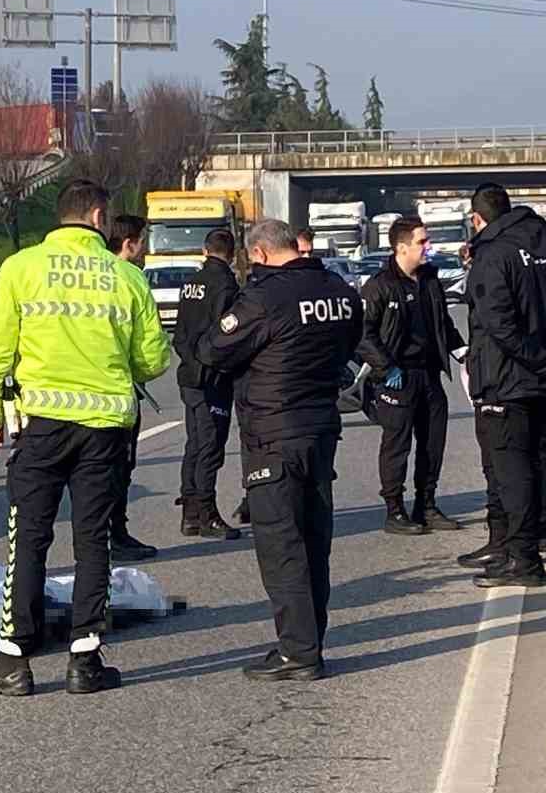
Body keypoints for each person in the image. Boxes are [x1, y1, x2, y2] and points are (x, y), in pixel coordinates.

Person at [0, 180, 171, 697]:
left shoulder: (21, 269)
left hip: (42, 427)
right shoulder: (126, 277)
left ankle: (13, 659)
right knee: (93, 539)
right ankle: (85, 657)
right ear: (98, 216)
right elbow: (154, 359)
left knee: (28, 538)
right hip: (104, 431)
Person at [198, 218, 363, 681]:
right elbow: (351, 341)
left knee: (281, 544)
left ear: (262, 254)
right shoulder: (338, 289)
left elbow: (213, 348)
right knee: (314, 541)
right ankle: (312, 640)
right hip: (321, 427)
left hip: (273, 432)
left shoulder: (264, 297)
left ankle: (297, 652)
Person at [457, 183, 546, 588]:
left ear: (477, 218)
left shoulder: (495, 254)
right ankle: (527, 544)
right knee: (540, 461)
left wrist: (538, 361)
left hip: (507, 379)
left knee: (511, 471)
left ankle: (522, 558)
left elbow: (498, 324)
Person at [357, 216, 469, 535]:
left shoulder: (431, 281)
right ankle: (394, 510)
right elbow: (362, 334)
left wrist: (463, 353)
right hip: (397, 377)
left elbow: (443, 325)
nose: (428, 247)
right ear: (402, 247)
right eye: (422, 242)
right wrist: (386, 367)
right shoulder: (379, 285)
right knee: (397, 445)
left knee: (433, 443)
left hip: (429, 375)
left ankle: (427, 505)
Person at [173, 227, 242, 540]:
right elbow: (225, 335)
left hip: (188, 374)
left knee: (194, 443)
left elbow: (181, 333)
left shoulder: (191, 283)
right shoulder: (225, 284)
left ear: (205, 250)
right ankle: (206, 512)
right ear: (232, 253)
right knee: (210, 446)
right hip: (211, 377)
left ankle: (190, 511)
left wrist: (191, 360)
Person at [106, 213, 159, 562]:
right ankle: (116, 534)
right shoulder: (129, 277)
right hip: (118, 390)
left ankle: (104, 534)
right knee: (119, 469)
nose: (144, 248)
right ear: (130, 243)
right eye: (142, 241)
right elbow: (150, 352)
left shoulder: (90, 274)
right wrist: (140, 371)